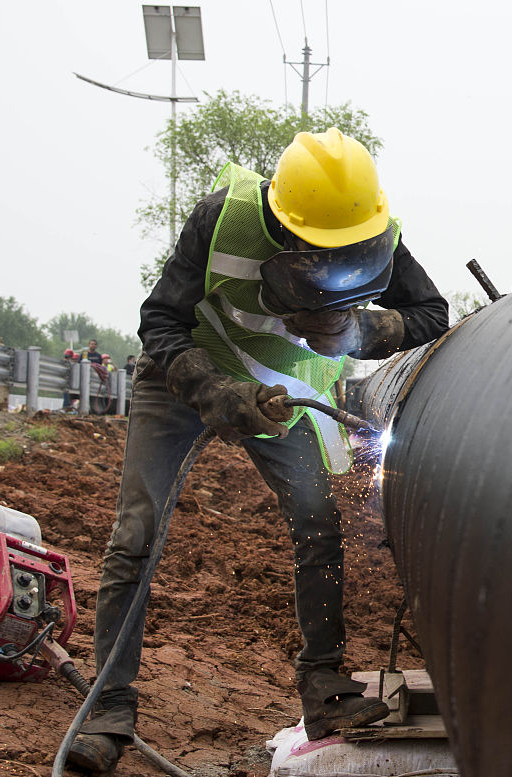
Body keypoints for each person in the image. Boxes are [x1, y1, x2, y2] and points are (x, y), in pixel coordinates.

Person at [67, 128, 449, 774]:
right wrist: (215, 393)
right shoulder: (220, 222)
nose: (338, 263)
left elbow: (431, 314)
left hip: (283, 390)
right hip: (184, 378)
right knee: (137, 533)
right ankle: (108, 710)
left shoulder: (369, 230)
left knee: (317, 524)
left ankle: (324, 688)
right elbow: (158, 319)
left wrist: (360, 328)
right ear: (283, 225)